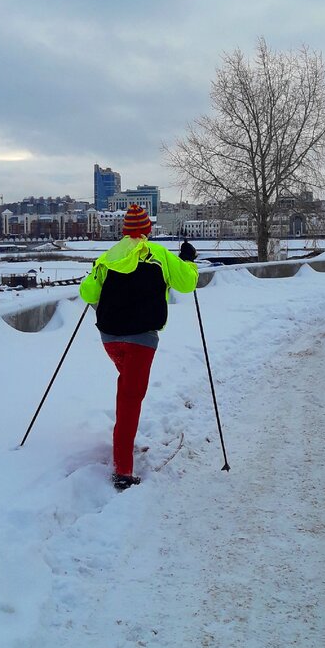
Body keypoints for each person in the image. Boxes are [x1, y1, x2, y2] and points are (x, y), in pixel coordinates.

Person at [80, 205, 198, 491]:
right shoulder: (158, 255)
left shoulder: (108, 257)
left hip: (110, 338)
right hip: (141, 340)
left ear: (124, 230)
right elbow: (187, 284)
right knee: (130, 400)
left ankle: (124, 441)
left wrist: (96, 272)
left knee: (129, 392)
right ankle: (122, 469)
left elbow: (87, 293)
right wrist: (189, 261)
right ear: (147, 229)